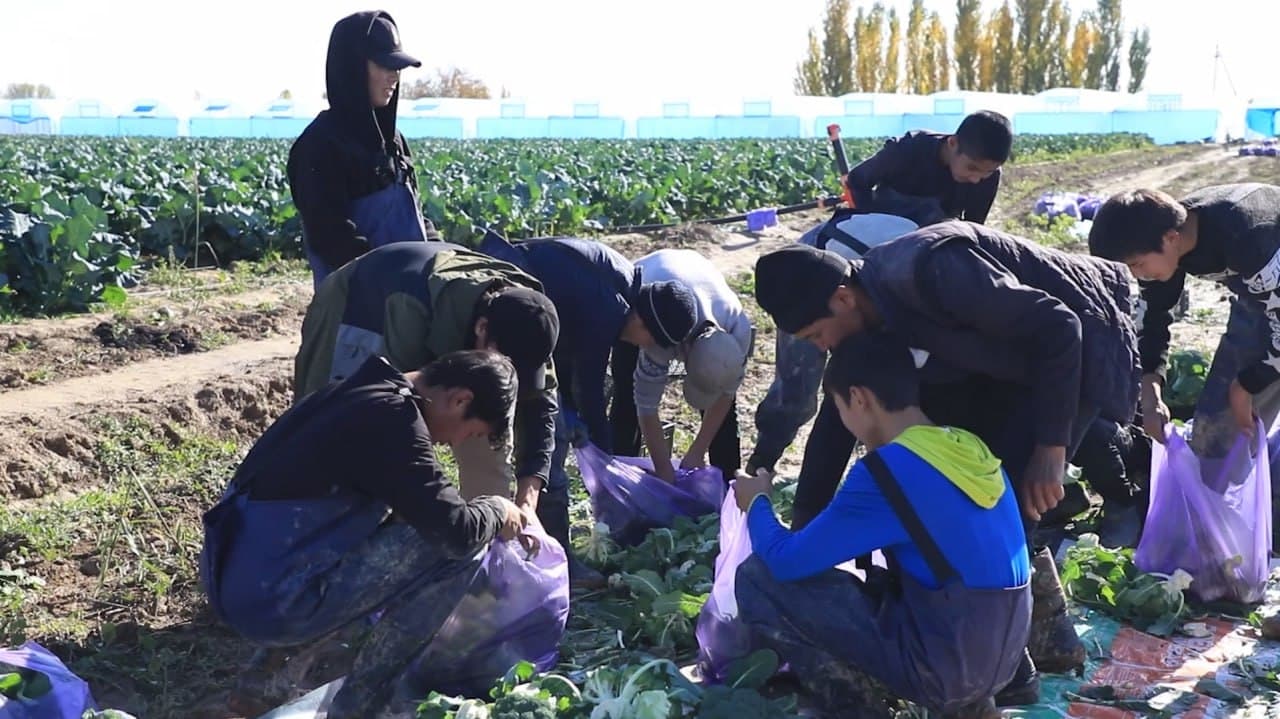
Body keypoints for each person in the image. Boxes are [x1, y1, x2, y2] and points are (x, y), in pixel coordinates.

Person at [751, 219, 1140, 704]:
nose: (821, 346)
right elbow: (838, 415)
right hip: (996, 365)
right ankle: (989, 663)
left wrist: (1051, 449)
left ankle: (1025, 657)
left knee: (1013, 498)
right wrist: (808, 522)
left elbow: (1060, 327)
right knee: (943, 494)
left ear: (844, 298)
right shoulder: (865, 325)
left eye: (816, 333)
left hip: (1069, 354)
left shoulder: (934, 271)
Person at [200, 350, 534, 718]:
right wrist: (497, 507)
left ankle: (262, 680)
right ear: (460, 400)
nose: (453, 444)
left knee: (409, 527)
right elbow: (457, 532)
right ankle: (362, 705)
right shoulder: (394, 421)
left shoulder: (355, 392)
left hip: (233, 578)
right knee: (462, 547)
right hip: (274, 603)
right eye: (469, 432)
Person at [733, 332, 1030, 719]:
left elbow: (785, 561)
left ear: (859, 398)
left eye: (839, 407)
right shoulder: (966, 445)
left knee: (759, 577)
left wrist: (756, 502)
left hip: (944, 670)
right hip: (1002, 664)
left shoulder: (887, 471)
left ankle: (859, 708)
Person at [477, 233, 699, 587]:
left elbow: (567, 342)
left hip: (522, 302)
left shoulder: (621, 285)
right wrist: (603, 451)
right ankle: (549, 556)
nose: (645, 348)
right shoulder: (607, 310)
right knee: (549, 445)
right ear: (643, 323)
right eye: (652, 341)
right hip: (506, 322)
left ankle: (530, 544)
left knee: (553, 427)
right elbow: (590, 386)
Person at [293, 240, 559, 528]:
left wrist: (525, 504)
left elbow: (539, 410)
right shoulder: (409, 312)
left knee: (487, 427)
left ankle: (491, 554)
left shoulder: (530, 321)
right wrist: (435, 511)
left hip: (447, 323)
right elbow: (395, 419)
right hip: (366, 305)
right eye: (502, 362)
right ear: (482, 328)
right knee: (344, 436)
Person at [1087, 184, 1280, 458]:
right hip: (1261, 296)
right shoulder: (1166, 236)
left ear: (1171, 238)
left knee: (1242, 396)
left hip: (1270, 276)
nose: (1137, 276)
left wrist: (1248, 385)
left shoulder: (1247, 236)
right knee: (1215, 432)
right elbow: (1153, 320)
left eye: (1137, 264)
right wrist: (1151, 394)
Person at [746, 211, 919, 478]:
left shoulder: (915, 291)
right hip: (811, 269)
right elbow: (842, 400)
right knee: (798, 385)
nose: (822, 347)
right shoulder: (816, 294)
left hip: (862, 277)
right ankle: (761, 463)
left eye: (817, 336)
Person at [287, 11, 441, 287]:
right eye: (384, 65)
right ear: (352, 68)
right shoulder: (320, 145)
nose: (394, 76)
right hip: (355, 311)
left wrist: (443, 256)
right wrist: (393, 279)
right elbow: (333, 238)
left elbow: (415, 219)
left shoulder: (394, 142)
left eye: (397, 67)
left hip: (409, 295)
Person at [610, 248, 755, 484]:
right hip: (646, 291)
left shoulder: (739, 331)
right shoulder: (659, 336)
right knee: (626, 396)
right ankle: (622, 478)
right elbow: (646, 406)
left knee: (724, 421)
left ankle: (728, 488)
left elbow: (725, 396)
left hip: (696, 272)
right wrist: (664, 470)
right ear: (685, 354)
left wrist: (697, 451)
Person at [846, 109, 1013, 227]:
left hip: (934, 244)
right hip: (884, 235)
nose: (976, 179)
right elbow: (857, 180)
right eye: (972, 168)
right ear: (952, 143)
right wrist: (870, 222)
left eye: (987, 172)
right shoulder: (908, 149)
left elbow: (973, 227)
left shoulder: (989, 177)